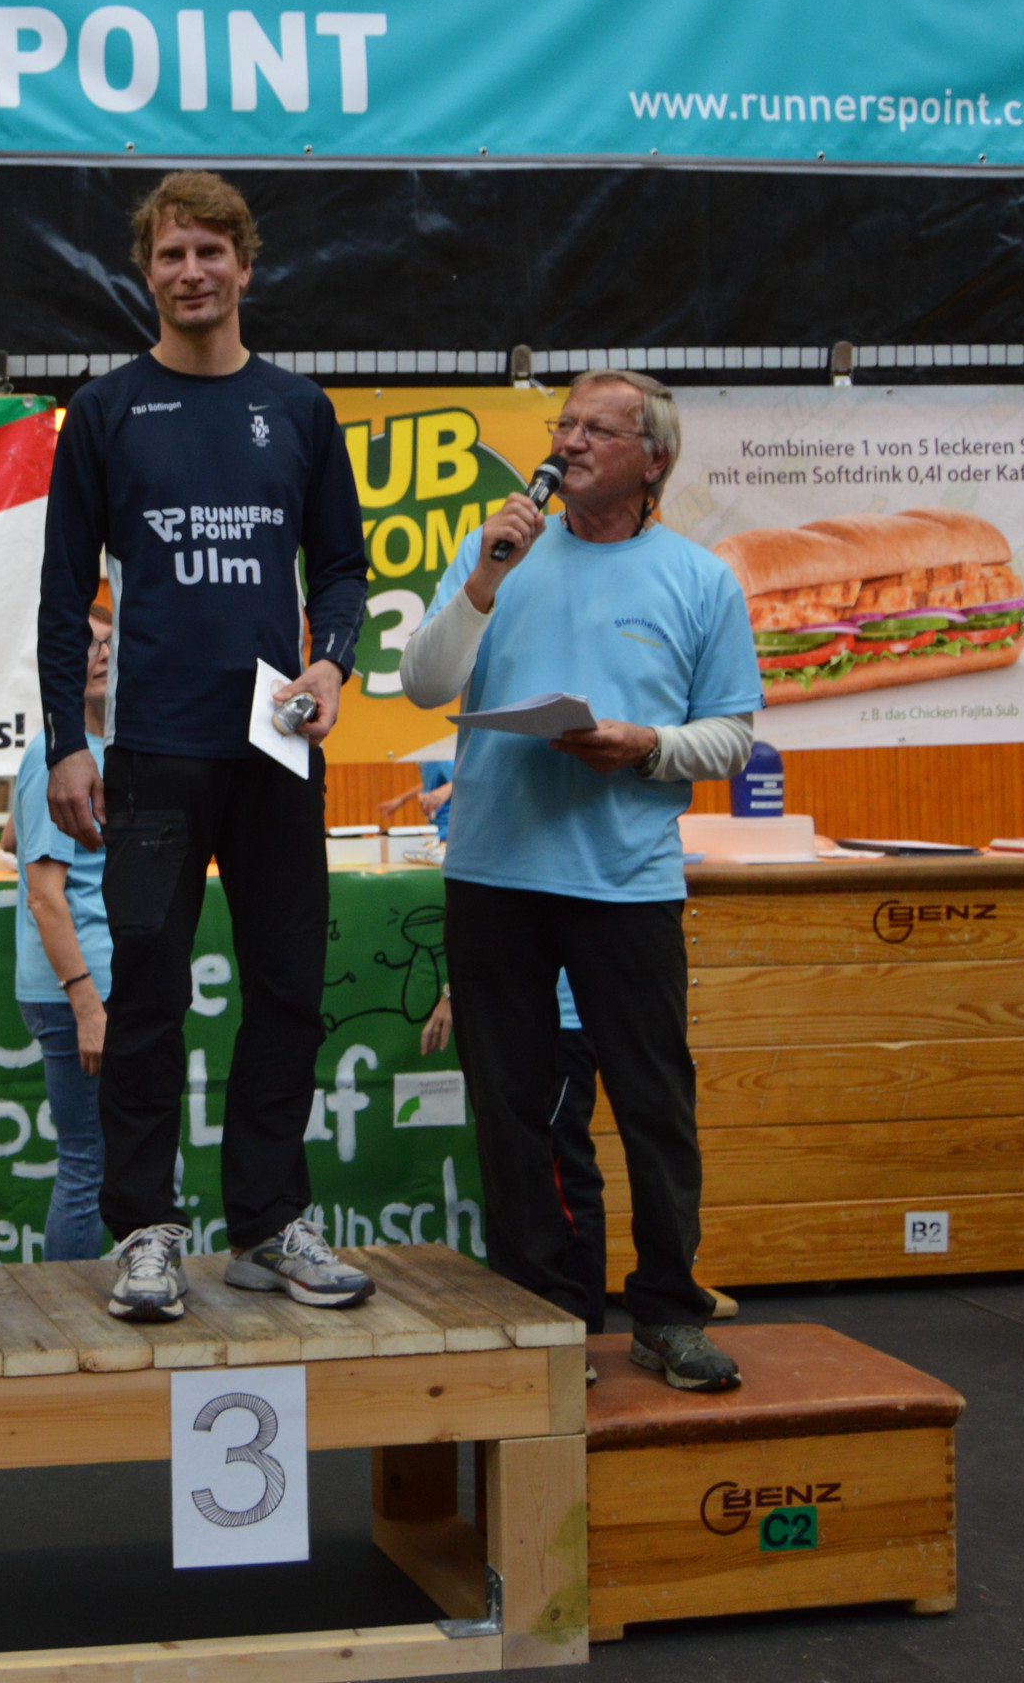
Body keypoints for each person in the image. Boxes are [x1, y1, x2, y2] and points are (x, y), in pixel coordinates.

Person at [40, 171, 376, 1324]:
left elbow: (342, 568)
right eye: (170, 254)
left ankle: (268, 1223)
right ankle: (144, 1230)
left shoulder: (297, 407)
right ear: (146, 272)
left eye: (209, 251)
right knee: (145, 995)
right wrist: (65, 744)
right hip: (147, 752)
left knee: (286, 987)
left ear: (244, 262)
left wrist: (330, 663)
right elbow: (58, 599)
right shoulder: (105, 410)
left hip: (273, 743)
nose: (191, 272)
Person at [397, 369, 758, 1391]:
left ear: (654, 459)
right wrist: (483, 579)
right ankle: (544, 1314)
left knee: (653, 1103)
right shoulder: (497, 550)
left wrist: (648, 746)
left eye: (599, 429)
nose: (570, 442)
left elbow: (731, 734)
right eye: (564, 424)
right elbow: (423, 683)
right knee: (510, 1107)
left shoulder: (699, 579)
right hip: (492, 873)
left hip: (625, 881)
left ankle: (668, 1312)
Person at [6, 598, 116, 1262]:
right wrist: (87, 1004)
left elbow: (13, 839)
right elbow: (45, 895)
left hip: (95, 982)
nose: (101, 655)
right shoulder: (58, 755)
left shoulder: (91, 749)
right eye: (86, 645)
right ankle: (69, 1305)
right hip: (83, 988)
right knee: (89, 1165)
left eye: (109, 642)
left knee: (110, 1158)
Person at [421, 976, 606, 1335]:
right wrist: (453, 992)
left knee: (565, 1168)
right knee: (512, 1166)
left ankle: (584, 1328)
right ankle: (532, 1316)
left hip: (565, 1026)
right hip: (510, 1023)